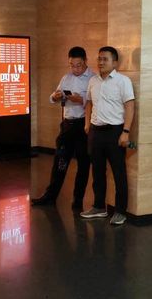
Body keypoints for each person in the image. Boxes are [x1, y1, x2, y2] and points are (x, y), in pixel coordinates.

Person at [32, 46, 94, 209]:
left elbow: (95, 102)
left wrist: (80, 100)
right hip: (67, 124)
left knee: (83, 163)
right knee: (60, 160)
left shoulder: (93, 79)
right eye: (72, 65)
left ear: (85, 61)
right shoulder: (66, 78)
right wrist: (56, 96)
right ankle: (50, 196)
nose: (75, 69)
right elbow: (52, 98)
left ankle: (78, 200)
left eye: (79, 65)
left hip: (83, 125)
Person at [81, 46, 135, 226]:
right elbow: (89, 103)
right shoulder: (93, 81)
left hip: (115, 132)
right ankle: (99, 207)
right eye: (99, 59)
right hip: (96, 131)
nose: (101, 62)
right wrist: (87, 124)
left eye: (105, 59)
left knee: (119, 172)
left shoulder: (123, 81)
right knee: (97, 172)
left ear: (115, 62)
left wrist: (126, 132)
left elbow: (130, 106)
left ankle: (120, 211)